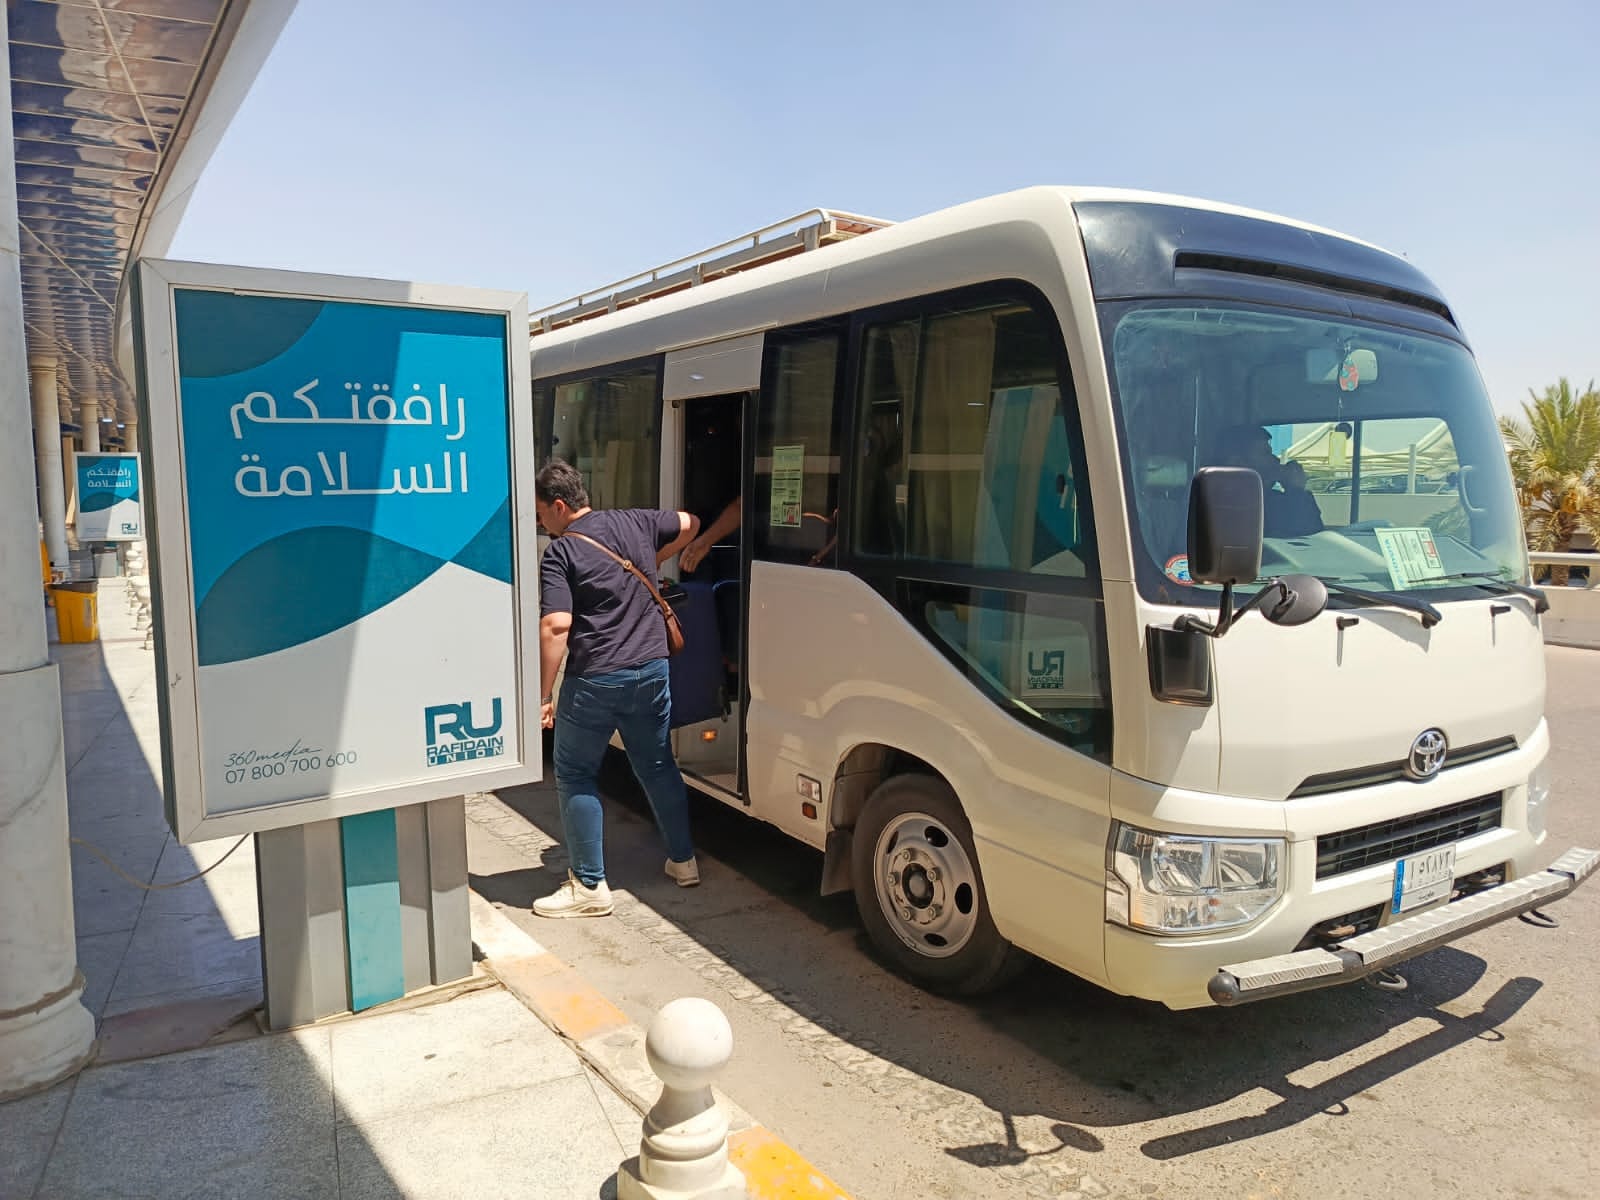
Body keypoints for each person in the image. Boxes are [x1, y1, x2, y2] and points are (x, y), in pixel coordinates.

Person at [533, 459, 702, 918]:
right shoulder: (636, 521)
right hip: (652, 669)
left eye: (541, 514)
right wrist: (658, 558)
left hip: (597, 678)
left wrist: (543, 696)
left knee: (575, 772)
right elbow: (691, 522)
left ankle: (589, 886)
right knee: (658, 764)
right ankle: (684, 861)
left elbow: (555, 627)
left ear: (560, 506)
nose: (542, 524)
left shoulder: (561, 552)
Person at [1213, 424, 1324, 538]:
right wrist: (1296, 490)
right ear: (1237, 463)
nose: (1275, 460)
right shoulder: (1239, 503)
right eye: (1265, 454)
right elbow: (1310, 538)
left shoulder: (1267, 498)